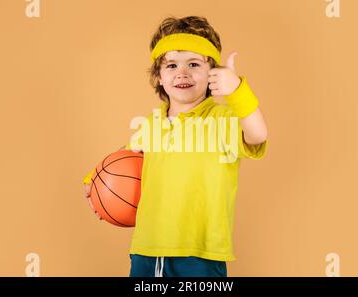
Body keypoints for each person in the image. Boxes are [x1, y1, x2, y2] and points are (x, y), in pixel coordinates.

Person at [83, 16, 268, 277]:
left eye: (194, 63)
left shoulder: (222, 120)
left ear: (212, 73)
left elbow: (258, 134)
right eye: (171, 65)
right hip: (146, 250)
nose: (182, 73)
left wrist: (236, 90)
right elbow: (123, 159)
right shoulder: (151, 124)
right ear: (159, 76)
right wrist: (94, 181)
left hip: (200, 254)